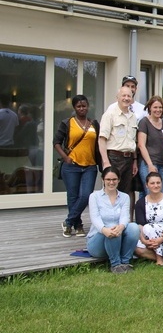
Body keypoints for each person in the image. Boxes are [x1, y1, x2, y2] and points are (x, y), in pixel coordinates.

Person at [53, 94, 100, 237]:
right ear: (74, 108)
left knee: (86, 195)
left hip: (90, 165)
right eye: (78, 106)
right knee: (73, 197)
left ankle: (68, 222)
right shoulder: (67, 123)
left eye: (84, 106)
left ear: (88, 106)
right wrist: (66, 158)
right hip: (71, 165)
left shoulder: (94, 124)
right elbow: (56, 142)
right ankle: (78, 225)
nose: (82, 108)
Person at [86, 166, 139, 274]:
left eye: (114, 179)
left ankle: (125, 263)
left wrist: (121, 227)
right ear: (103, 180)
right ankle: (115, 265)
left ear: (119, 180)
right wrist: (105, 230)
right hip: (98, 240)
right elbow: (95, 218)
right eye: (108, 179)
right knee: (112, 229)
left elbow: (125, 217)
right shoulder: (94, 196)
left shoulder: (124, 197)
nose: (111, 182)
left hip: (117, 237)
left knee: (133, 227)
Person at [98, 86, 139, 218]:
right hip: (114, 158)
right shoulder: (110, 114)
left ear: (132, 99)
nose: (126, 98)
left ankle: (124, 222)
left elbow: (132, 142)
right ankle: (108, 221)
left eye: (129, 96)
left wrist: (134, 161)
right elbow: (102, 139)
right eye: (124, 96)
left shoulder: (133, 117)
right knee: (110, 190)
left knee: (125, 193)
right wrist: (105, 162)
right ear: (118, 97)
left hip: (128, 159)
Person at [134, 172, 163, 266]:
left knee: (149, 228)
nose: (156, 185)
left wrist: (161, 238)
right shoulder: (140, 203)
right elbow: (140, 225)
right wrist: (144, 241)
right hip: (147, 235)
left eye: (158, 183)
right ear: (147, 185)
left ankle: (160, 260)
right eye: (152, 183)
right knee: (137, 249)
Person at [137, 96, 163, 197]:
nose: (158, 110)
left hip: (162, 164)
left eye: (160, 107)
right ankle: (144, 213)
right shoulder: (144, 122)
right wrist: (150, 165)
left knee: (161, 194)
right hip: (148, 164)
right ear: (150, 108)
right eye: (155, 107)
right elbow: (141, 145)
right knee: (150, 193)